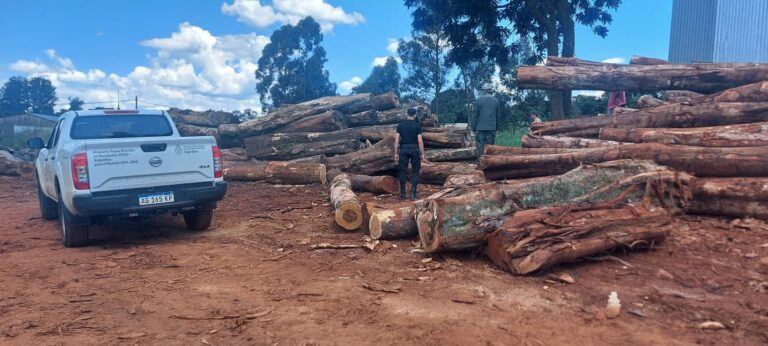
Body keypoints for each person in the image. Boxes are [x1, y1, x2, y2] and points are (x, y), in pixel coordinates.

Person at [393, 107, 427, 200]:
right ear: (415, 115)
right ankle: (413, 193)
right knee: (415, 171)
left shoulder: (400, 125)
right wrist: (422, 154)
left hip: (403, 149)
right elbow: (420, 141)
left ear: (406, 114)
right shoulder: (417, 126)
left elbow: (396, 140)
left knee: (402, 170)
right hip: (414, 149)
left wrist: (396, 153)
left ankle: (403, 194)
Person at [471, 83, 500, 161]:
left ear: (483, 90)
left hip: (480, 128)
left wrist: (473, 128)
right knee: (490, 146)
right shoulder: (496, 101)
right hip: (491, 128)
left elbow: (475, 115)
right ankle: (489, 163)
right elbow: (498, 116)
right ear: (490, 91)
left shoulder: (478, 100)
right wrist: (497, 128)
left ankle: (480, 163)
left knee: (480, 146)